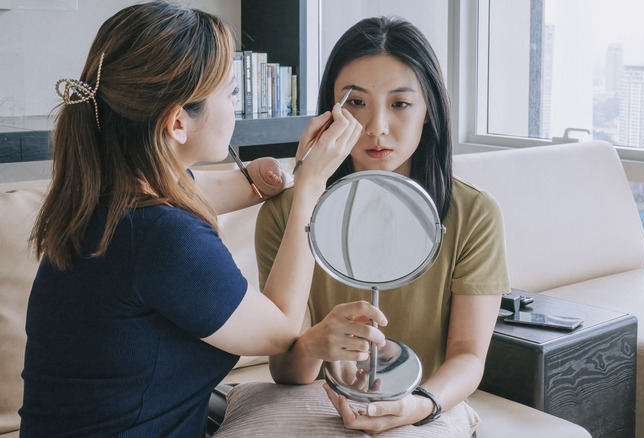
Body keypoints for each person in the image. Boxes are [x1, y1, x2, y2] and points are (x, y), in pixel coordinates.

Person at [20, 2, 360, 437]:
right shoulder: (164, 237)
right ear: (178, 122)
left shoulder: (106, 195)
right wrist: (311, 187)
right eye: (231, 93)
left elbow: (194, 190)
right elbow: (280, 329)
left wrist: (272, 177)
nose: (236, 106)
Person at [255, 16, 510, 434]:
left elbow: (467, 356)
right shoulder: (287, 212)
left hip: (427, 406)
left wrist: (420, 405)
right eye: (355, 103)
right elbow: (288, 373)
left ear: (429, 110)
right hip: (315, 409)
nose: (376, 127)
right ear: (330, 111)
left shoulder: (474, 214)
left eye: (400, 103)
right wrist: (316, 342)